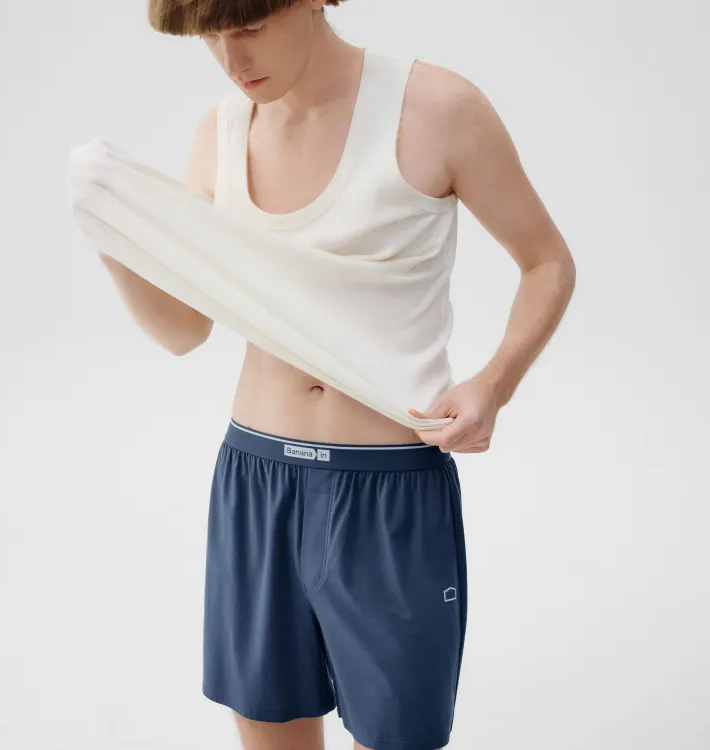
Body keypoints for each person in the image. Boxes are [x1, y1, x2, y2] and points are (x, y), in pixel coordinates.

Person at [96, 1, 577, 749]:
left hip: (388, 488)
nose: (231, 58)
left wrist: (493, 384)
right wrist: (111, 234)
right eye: (211, 37)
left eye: (248, 27)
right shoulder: (219, 133)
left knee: (398, 737)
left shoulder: (436, 109)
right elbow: (186, 331)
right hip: (256, 479)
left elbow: (546, 261)